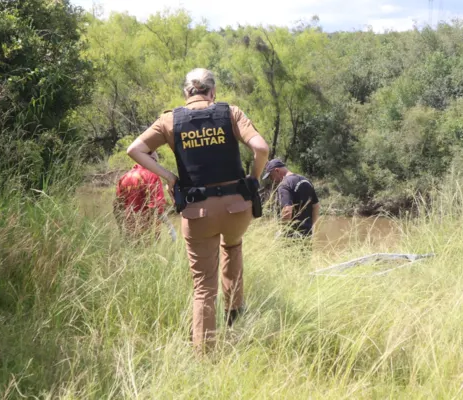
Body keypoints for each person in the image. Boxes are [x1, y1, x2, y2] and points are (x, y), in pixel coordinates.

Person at [126, 68, 269, 351]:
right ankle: (235, 318)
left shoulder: (170, 120)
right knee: (233, 247)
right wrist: (253, 178)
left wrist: (169, 177)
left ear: (186, 94)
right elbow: (261, 148)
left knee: (204, 288)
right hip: (237, 208)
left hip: (197, 211)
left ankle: (205, 355)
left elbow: (135, 149)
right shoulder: (231, 113)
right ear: (212, 92)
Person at [113, 152, 177, 241]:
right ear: (152, 160)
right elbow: (157, 207)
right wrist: (170, 228)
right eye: (155, 163)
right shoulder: (152, 176)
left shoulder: (124, 178)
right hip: (148, 232)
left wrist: (121, 229)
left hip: (128, 230)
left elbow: (117, 207)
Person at [262, 159, 320, 239]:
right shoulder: (306, 180)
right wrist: (313, 227)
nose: (272, 180)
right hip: (307, 235)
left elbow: (287, 210)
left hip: (292, 236)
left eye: (271, 176)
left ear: (277, 170)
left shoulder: (284, 185)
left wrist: (282, 231)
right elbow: (316, 206)